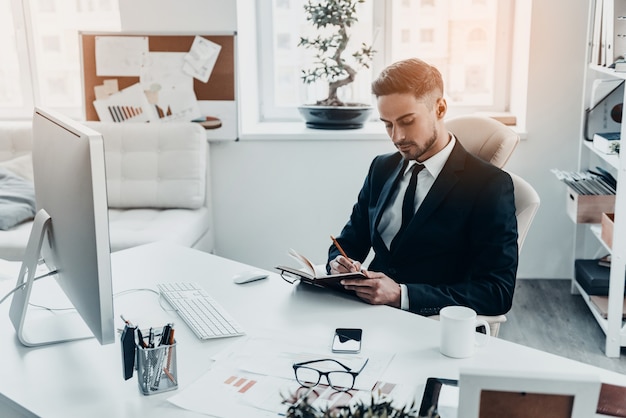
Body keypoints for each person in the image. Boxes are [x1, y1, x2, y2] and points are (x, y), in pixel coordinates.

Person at [327, 58, 518, 317]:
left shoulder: (489, 185)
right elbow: (350, 241)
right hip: (364, 311)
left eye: (407, 121)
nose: (397, 137)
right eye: (387, 124)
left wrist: (401, 295)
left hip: (430, 323)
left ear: (439, 108)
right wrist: (338, 263)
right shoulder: (381, 168)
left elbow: (497, 291)